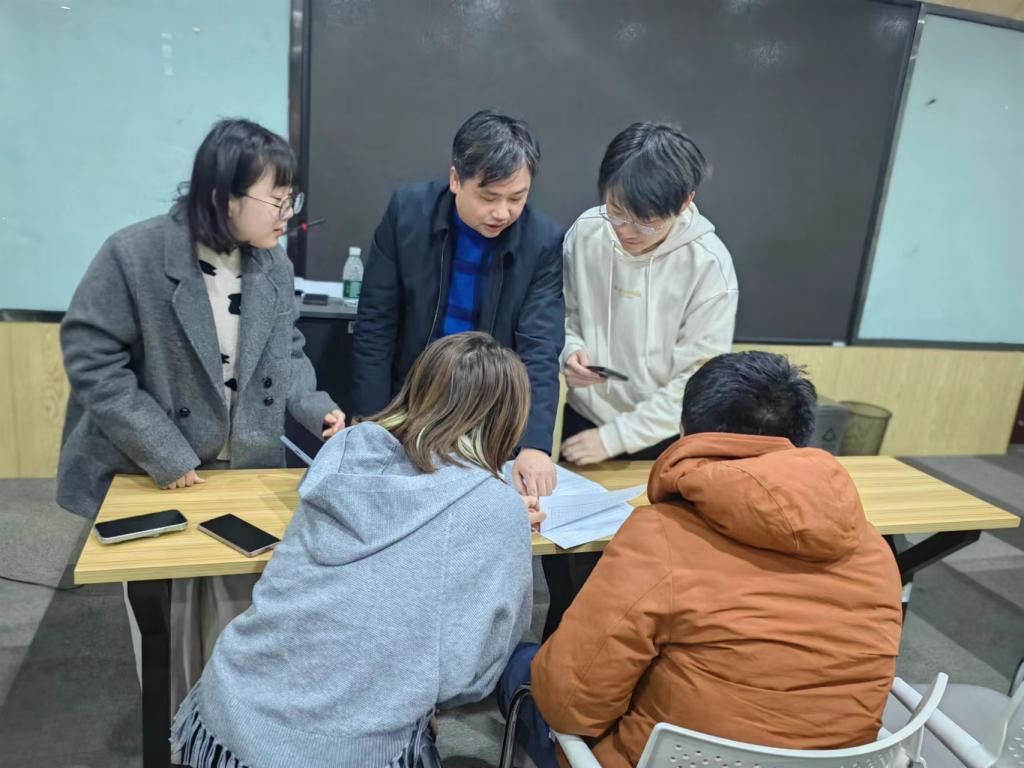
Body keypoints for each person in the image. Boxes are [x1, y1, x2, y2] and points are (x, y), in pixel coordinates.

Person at [59, 117, 344, 708]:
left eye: (291, 200)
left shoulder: (272, 263)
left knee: (240, 610)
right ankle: (174, 727)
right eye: (276, 200)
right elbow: (92, 359)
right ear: (222, 197)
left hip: (240, 465)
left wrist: (319, 410)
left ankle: (223, 723)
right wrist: (164, 450)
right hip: (153, 467)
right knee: (167, 618)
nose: (287, 215)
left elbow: (288, 351)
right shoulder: (134, 254)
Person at [501, 351, 903, 768]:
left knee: (523, 668)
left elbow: (569, 705)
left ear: (684, 431)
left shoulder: (659, 535)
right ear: (801, 435)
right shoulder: (873, 547)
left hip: (664, 760)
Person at [171, 332, 539, 768]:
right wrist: (503, 520)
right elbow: (473, 671)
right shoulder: (495, 507)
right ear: (506, 420)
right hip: (345, 747)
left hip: (227, 706)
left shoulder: (348, 447)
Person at [542, 121, 739, 639]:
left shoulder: (709, 267)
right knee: (568, 559)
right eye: (616, 212)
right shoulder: (588, 232)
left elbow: (695, 384)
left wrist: (616, 438)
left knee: (643, 574)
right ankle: (557, 659)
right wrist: (570, 351)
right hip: (587, 416)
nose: (625, 231)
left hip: (662, 437)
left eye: (645, 222)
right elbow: (563, 313)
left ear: (685, 202)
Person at [352, 110, 565, 497]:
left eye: (517, 198)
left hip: (487, 414)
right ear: (456, 179)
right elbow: (376, 324)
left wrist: (535, 445)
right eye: (489, 197)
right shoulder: (408, 214)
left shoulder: (542, 241)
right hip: (411, 402)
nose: (502, 212)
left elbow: (540, 347)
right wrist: (370, 421)